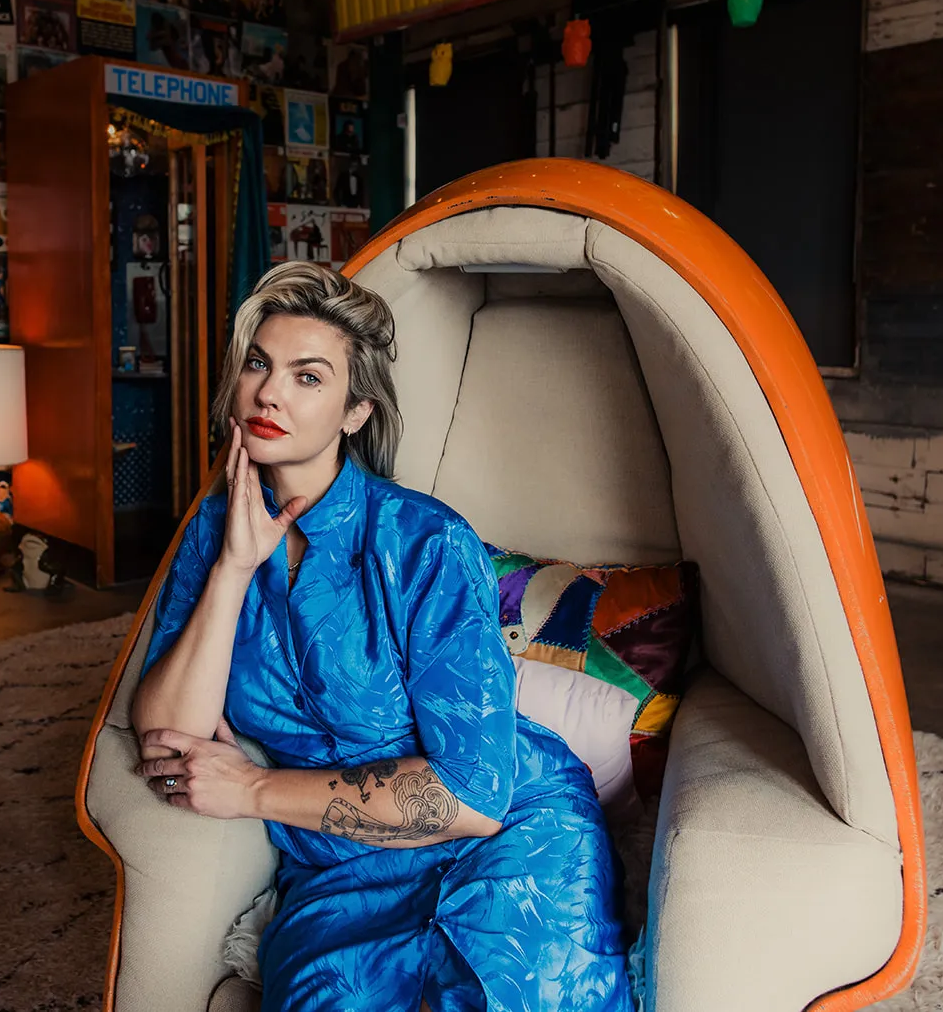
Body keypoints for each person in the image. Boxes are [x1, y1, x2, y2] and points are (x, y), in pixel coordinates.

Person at [130, 262, 632, 1012]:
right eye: (259, 365)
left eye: (307, 377)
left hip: (512, 832)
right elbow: (166, 736)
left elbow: (472, 795)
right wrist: (234, 570)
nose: (268, 393)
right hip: (341, 871)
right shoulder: (212, 533)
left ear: (355, 413)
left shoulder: (427, 543)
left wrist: (254, 788)